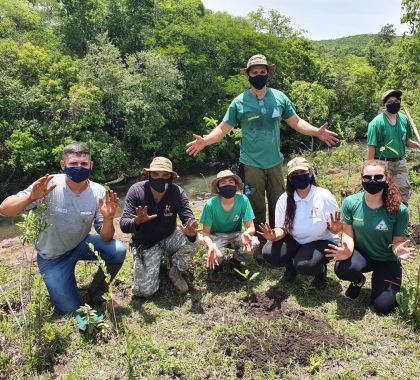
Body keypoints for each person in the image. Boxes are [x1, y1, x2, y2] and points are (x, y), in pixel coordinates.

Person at [186, 54, 339, 259]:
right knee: (256, 205)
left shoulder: (279, 98)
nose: (259, 75)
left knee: (280, 202)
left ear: (268, 73)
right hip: (251, 165)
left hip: (275, 163)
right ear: (248, 75)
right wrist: (205, 140)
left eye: (262, 72)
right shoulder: (239, 102)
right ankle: (258, 244)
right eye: (254, 72)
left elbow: (296, 121)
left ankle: (279, 240)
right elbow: (223, 128)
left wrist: (316, 132)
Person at [0, 143, 126, 315]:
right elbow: (5, 209)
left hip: (80, 243)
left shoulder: (98, 191)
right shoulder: (48, 185)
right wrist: (30, 198)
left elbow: (106, 237)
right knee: (72, 311)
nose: (79, 168)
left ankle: (97, 294)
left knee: (117, 250)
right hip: (52, 258)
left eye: (83, 164)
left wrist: (109, 218)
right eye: (73, 164)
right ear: (63, 165)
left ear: (91, 165)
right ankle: (68, 293)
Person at [325, 160, 416, 315]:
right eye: (367, 177)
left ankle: (380, 280)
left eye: (378, 177)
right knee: (342, 268)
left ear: (386, 178)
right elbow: (347, 232)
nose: (372, 181)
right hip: (363, 254)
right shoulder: (351, 202)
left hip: (387, 259)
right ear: (361, 179)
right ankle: (358, 281)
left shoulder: (399, 210)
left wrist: (398, 249)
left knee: (384, 306)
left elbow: (396, 243)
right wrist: (346, 251)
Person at [120, 157, 200, 296]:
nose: (160, 178)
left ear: (171, 177)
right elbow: (123, 225)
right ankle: (150, 262)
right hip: (145, 243)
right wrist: (137, 222)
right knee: (144, 292)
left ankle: (174, 270)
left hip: (169, 237)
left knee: (197, 239)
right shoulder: (136, 191)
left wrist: (191, 229)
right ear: (149, 175)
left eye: (165, 175)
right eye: (155, 174)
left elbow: (187, 215)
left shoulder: (177, 192)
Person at [259, 157, 341, 289]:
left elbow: (334, 229)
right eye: (294, 174)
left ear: (310, 172)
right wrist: (273, 235)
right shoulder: (284, 199)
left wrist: (336, 228)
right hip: (296, 239)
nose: (299, 177)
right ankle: (291, 266)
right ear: (289, 178)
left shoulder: (324, 196)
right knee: (270, 253)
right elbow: (283, 229)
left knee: (304, 266)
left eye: (302, 172)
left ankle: (320, 270)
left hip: (321, 241)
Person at [199, 170, 259, 272]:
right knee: (216, 257)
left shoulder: (243, 200)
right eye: (223, 183)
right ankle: (218, 263)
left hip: (235, 235)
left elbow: (251, 227)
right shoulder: (210, 204)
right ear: (218, 188)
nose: (227, 185)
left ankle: (235, 261)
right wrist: (210, 246)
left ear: (236, 186)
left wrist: (246, 233)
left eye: (231, 182)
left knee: (254, 243)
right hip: (216, 236)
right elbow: (205, 233)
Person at [367, 89, 420, 203]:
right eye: (390, 101)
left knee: (404, 191)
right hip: (383, 163)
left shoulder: (404, 119)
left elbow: (407, 141)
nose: (394, 103)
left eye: (396, 100)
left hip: (400, 162)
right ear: (384, 105)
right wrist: (370, 170)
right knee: (384, 193)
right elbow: (371, 150)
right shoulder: (376, 123)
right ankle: (385, 218)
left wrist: (417, 145)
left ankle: (402, 217)